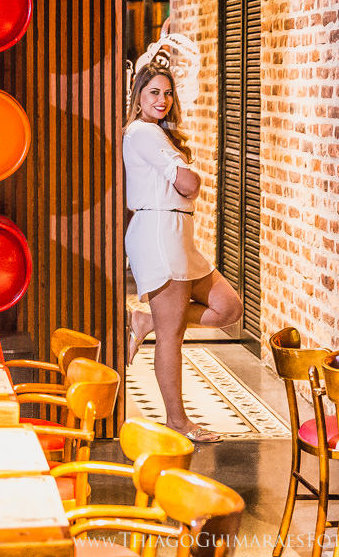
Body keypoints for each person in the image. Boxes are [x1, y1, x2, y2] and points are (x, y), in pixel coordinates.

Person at [123, 63, 243, 444]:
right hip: (161, 232)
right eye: (154, 92)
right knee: (172, 335)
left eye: (167, 93)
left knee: (228, 307)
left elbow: (185, 185)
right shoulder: (143, 132)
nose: (162, 100)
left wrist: (190, 182)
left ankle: (147, 320)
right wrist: (195, 179)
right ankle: (177, 421)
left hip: (178, 232)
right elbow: (188, 183)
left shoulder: (157, 133)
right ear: (138, 96)